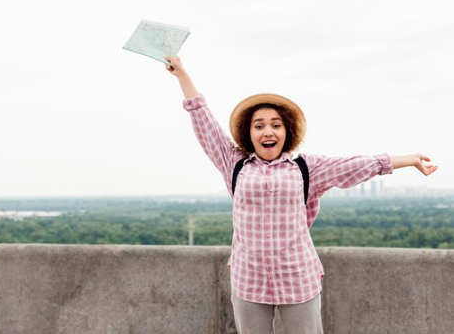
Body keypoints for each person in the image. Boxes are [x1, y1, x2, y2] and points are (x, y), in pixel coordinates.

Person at [164, 55, 438, 334]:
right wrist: (182, 75)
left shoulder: (307, 168)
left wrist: (409, 159)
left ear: (287, 131)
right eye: (259, 125)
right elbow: (204, 122)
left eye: (275, 124)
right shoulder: (233, 163)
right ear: (249, 133)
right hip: (249, 278)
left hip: (297, 277)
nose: (267, 131)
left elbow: (356, 165)